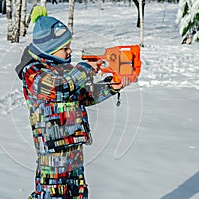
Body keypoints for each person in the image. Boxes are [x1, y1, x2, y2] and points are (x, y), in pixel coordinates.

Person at [16, 6, 130, 199]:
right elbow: (56, 87)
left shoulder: (64, 68)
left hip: (73, 142)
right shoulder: (32, 72)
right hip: (53, 150)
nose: (70, 50)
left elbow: (82, 95)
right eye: (65, 47)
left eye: (70, 45)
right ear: (49, 49)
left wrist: (111, 86)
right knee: (52, 193)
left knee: (77, 192)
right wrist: (84, 69)